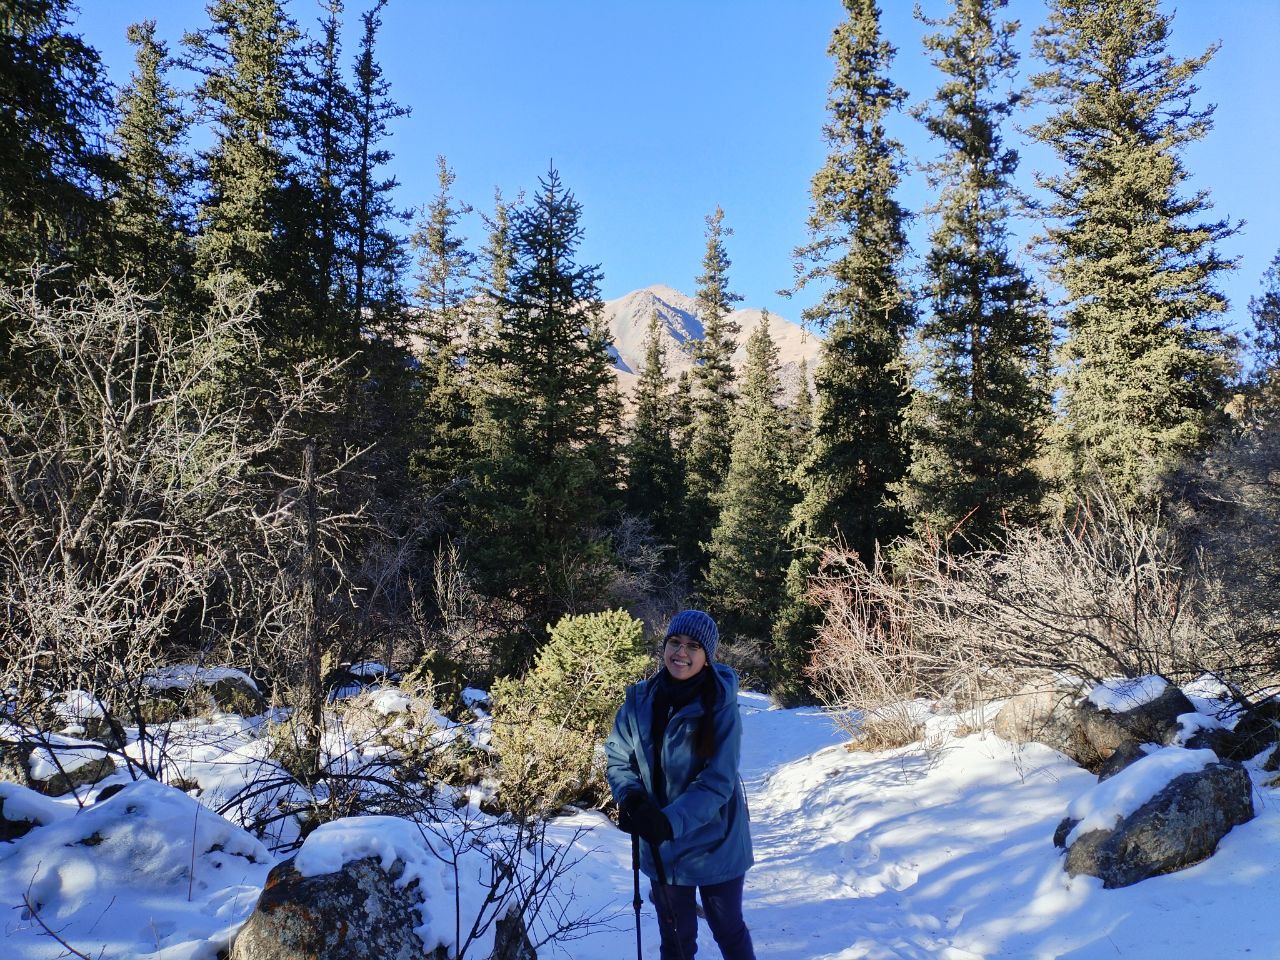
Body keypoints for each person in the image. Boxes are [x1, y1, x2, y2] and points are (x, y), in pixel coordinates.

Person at [605, 609, 756, 960]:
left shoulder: (721, 705)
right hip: (662, 847)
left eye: (692, 646)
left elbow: (718, 781)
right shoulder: (639, 700)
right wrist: (631, 799)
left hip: (715, 840)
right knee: (675, 939)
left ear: (707, 658)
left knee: (727, 929)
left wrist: (668, 821)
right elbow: (618, 757)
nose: (681, 652)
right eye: (675, 642)